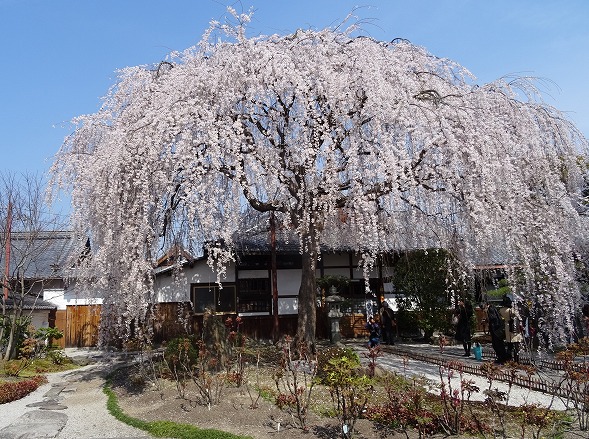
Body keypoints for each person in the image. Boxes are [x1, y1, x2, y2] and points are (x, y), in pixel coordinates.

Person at [499, 294, 523, 362]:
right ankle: (516, 359)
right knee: (516, 344)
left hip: (507, 326)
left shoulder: (501, 310)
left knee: (509, 344)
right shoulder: (511, 310)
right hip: (513, 327)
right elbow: (519, 317)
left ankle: (508, 358)